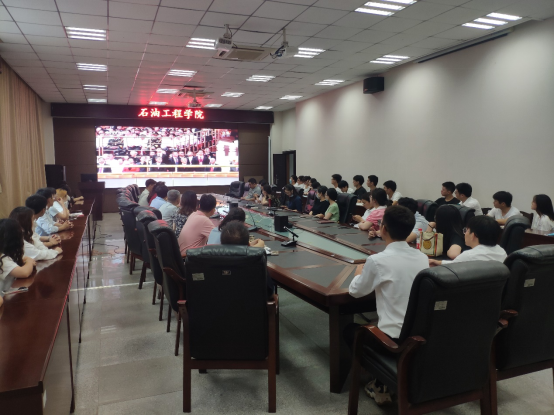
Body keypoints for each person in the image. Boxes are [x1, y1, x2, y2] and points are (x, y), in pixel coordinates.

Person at [347, 206, 429, 406]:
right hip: (420, 335)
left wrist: (358, 273)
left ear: (383, 228)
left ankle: (380, 382)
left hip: (392, 340)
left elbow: (355, 291)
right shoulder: (422, 257)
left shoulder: (377, 261)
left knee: (350, 331)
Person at [219, 221, 275, 297]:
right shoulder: (257, 261)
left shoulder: (210, 260)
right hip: (253, 304)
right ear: (248, 245)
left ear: (221, 244)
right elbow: (269, 292)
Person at [429, 216, 507, 266]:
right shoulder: (502, 252)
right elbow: (456, 263)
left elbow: (453, 266)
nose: (464, 233)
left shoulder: (469, 255)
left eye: (466, 230)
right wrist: (439, 262)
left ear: (473, 235)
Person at [0, 219, 37, 306]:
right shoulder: (2, 259)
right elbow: (24, 272)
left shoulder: (5, 256)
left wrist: (26, 259)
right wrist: (29, 261)